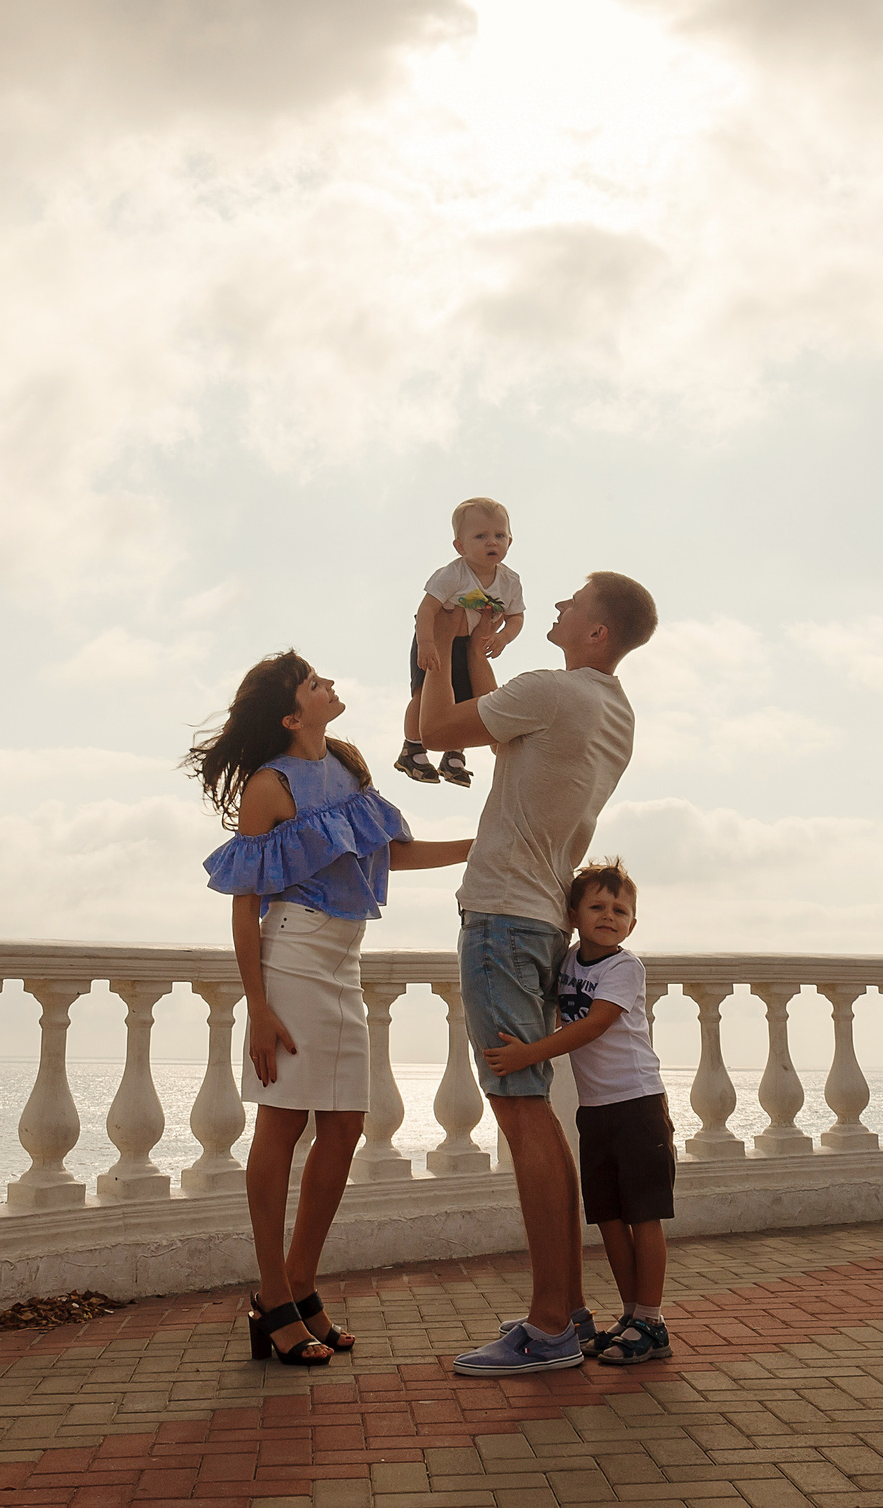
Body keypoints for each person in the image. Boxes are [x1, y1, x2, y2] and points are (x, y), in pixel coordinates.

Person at [188, 651, 473, 1367]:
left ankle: (302, 1283)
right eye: (315, 683)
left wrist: (478, 844)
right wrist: (257, 1006)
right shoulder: (269, 785)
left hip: (344, 959)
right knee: (282, 1124)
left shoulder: (346, 763)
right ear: (291, 714)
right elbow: (245, 903)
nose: (330, 685)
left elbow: (389, 854)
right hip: (291, 958)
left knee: (345, 1125)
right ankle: (272, 1295)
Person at [415, 571, 659, 1375]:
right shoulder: (607, 708)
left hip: (500, 918)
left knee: (523, 1120)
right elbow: (509, 725)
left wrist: (438, 639)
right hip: (538, 918)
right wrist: (483, 656)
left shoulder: (556, 691)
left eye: (572, 602)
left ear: (596, 631)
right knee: (537, 1120)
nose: (554, 606)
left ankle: (550, 1322)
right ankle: (567, 1306)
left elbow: (441, 725)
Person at [484, 860, 672, 1365]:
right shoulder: (567, 962)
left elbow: (594, 1025)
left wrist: (529, 1053)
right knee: (609, 1219)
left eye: (620, 909)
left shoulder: (624, 967)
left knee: (644, 1217)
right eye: (597, 906)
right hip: (596, 1111)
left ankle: (652, 1320)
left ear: (632, 922)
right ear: (573, 914)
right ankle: (631, 1315)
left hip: (637, 1107)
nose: (608, 915)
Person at [397, 497, 524, 789]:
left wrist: (503, 637)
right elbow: (428, 609)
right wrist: (427, 643)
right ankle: (412, 747)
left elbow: (516, 617)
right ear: (461, 546)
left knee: (463, 700)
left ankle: (454, 754)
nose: (491, 542)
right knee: (424, 693)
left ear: (510, 541)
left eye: (499, 535)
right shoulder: (453, 574)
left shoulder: (510, 582)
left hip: (469, 643)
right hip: (437, 639)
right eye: (480, 536)